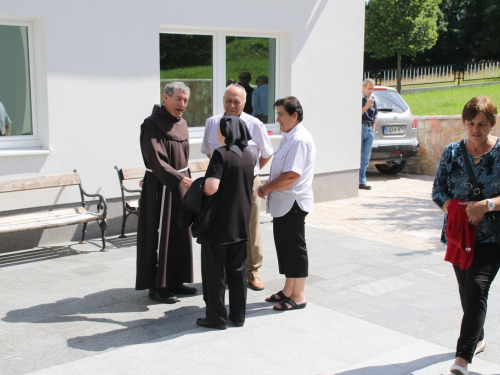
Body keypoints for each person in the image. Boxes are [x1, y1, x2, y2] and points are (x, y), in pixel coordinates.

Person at [432, 96, 500, 375]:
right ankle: (478, 335)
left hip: (493, 235)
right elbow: (438, 191)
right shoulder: (451, 152)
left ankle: (463, 356)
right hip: (461, 235)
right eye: (471, 123)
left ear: (492, 123)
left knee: (476, 288)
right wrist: (455, 209)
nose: (475, 128)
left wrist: (488, 205)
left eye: (482, 124)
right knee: (466, 290)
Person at [201, 84, 274, 291]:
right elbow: (209, 150)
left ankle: (252, 271)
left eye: (237, 101)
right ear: (223, 101)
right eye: (228, 100)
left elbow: (267, 153)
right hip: (220, 184)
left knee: (250, 226)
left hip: (247, 183)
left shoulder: (255, 124)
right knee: (223, 225)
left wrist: (249, 169)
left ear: (244, 103)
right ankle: (225, 270)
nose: (232, 105)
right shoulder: (212, 122)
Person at [136, 81, 196, 304]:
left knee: (179, 233)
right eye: (178, 99)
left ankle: (175, 280)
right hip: (162, 188)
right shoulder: (152, 124)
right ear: (166, 98)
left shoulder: (182, 123)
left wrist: (183, 178)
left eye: (186, 100)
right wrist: (180, 179)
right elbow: (156, 158)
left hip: (180, 185)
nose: (182, 104)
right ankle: (156, 286)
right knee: (160, 234)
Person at [196, 115, 256, 330]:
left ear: (226, 132)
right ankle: (238, 316)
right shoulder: (249, 155)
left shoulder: (221, 155)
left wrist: (195, 188)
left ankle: (216, 318)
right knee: (237, 271)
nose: (217, 133)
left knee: (214, 272)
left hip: (219, 223)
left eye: (220, 129)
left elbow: (212, 186)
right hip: (241, 222)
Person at [258, 96, 316, 311]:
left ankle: (299, 295)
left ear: (295, 115)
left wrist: (266, 188)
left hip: (293, 203)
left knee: (294, 248)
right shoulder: (289, 137)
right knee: (286, 248)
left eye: (281, 114)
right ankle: (288, 289)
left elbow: (292, 175)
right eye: (277, 114)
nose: (277, 118)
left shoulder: (299, 139)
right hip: (284, 203)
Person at [360, 78, 378, 190]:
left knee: (366, 157)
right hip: (361, 127)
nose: (371, 91)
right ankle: (356, 180)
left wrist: (373, 129)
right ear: (363, 87)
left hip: (369, 129)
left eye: (372, 89)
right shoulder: (360, 100)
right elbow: (356, 114)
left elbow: (375, 115)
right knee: (358, 156)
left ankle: (362, 181)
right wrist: (366, 106)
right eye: (369, 88)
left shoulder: (373, 99)